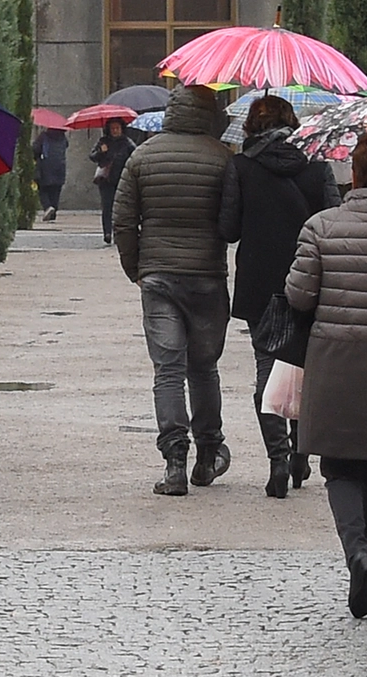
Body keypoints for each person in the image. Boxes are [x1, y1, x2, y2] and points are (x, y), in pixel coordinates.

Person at [285, 132, 367, 618]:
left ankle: (356, 551)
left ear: (355, 173)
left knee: (338, 465)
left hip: (335, 357)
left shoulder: (321, 226)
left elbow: (299, 296)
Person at [113, 85, 234, 497]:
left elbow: (124, 221)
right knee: (203, 367)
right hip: (206, 276)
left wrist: (137, 268)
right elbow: (231, 222)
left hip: (159, 277)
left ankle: (174, 460)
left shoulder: (142, 156)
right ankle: (208, 452)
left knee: (167, 369)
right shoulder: (223, 158)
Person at [218, 95, 341, 499]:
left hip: (261, 284)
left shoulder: (240, 166)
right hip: (312, 279)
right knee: (307, 366)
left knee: (267, 368)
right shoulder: (317, 166)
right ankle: (302, 449)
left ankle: (277, 458)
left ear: (250, 127)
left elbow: (229, 228)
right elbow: (333, 222)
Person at [90, 118, 135, 244]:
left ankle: (119, 232)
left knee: (122, 208)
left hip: (122, 180)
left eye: (117, 128)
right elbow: (92, 157)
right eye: (113, 128)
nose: (115, 131)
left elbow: (135, 156)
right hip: (106, 180)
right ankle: (107, 232)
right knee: (107, 206)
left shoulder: (127, 143)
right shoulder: (103, 141)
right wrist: (101, 152)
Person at [33, 127, 68, 221]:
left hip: (46, 167)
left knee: (42, 189)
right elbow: (66, 146)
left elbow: (35, 150)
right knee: (56, 191)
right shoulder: (63, 138)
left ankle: (48, 207)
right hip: (60, 167)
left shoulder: (43, 136)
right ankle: (53, 214)